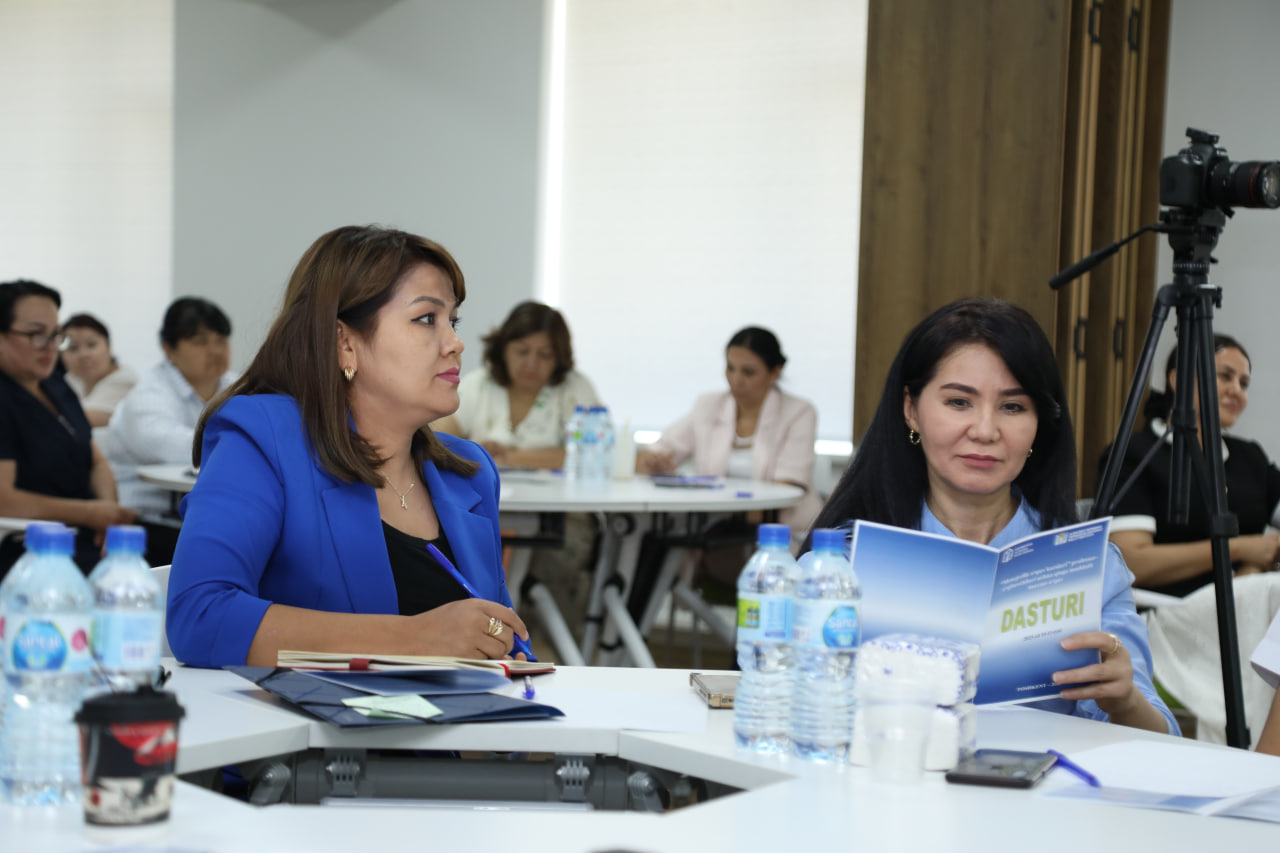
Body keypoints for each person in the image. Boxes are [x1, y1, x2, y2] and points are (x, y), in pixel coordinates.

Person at [165, 225, 529, 669]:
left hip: (458, 715)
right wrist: (412, 638)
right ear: (345, 343)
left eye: (452, 321)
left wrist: (503, 647)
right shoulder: (263, 438)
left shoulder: (469, 472)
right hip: (310, 716)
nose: (455, 343)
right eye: (426, 319)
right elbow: (200, 615)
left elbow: (502, 642)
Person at [811, 297, 1177, 734]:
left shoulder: (1089, 567)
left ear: (1039, 424)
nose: (985, 431)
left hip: (1040, 777)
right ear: (911, 410)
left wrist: (1125, 700)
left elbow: (1161, 738)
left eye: (1013, 407)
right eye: (959, 402)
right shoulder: (840, 563)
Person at [1099, 334, 1280, 597]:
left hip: (1249, 600)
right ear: (1178, 380)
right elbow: (1131, 562)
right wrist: (1237, 549)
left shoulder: (1250, 457)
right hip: (1170, 607)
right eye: (1225, 376)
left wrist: (1255, 567)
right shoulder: (1136, 455)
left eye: (1244, 383)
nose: (1237, 391)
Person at [0, 280, 137, 575]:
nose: (50, 346)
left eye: (55, 335)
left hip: (88, 537)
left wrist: (107, 516)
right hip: (31, 550)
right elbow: (3, 499)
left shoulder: (56, 386)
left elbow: (95, 459)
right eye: (36, 335)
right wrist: (89, 513)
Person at [637, 326, 822, 536]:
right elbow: (654, 453)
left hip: (782, 532)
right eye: (730, 368)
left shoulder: (798, 413)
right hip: (717, 529)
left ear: (774, 373)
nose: (736, 380)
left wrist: (720, 518)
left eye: (748, 372)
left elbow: (787, 487)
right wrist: (654, 461)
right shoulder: (709, 405)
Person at [101, 297, 237, 514]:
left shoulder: (238, 387)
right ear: (169, 349)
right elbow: (173, 447)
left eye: (221, 340)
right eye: (200, 341)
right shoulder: (147, 396)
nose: (216, 351)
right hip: (146, 515)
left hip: (207, 507)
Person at [433, 300, 601, 470]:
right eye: (522, 352)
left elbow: (594, 452)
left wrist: (508, 457)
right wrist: (475, 450)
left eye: (545, 355)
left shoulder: (575, 388)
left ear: (558, 359)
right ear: (503, 349)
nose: (532, 364)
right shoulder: (479, 384)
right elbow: (436, 442)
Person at [60, 313, 138, 427]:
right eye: (73, 348)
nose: (83, 355)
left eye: (91, 345)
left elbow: (80, 420)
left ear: (108, 347)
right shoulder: (71, 380)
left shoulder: (125, 382)